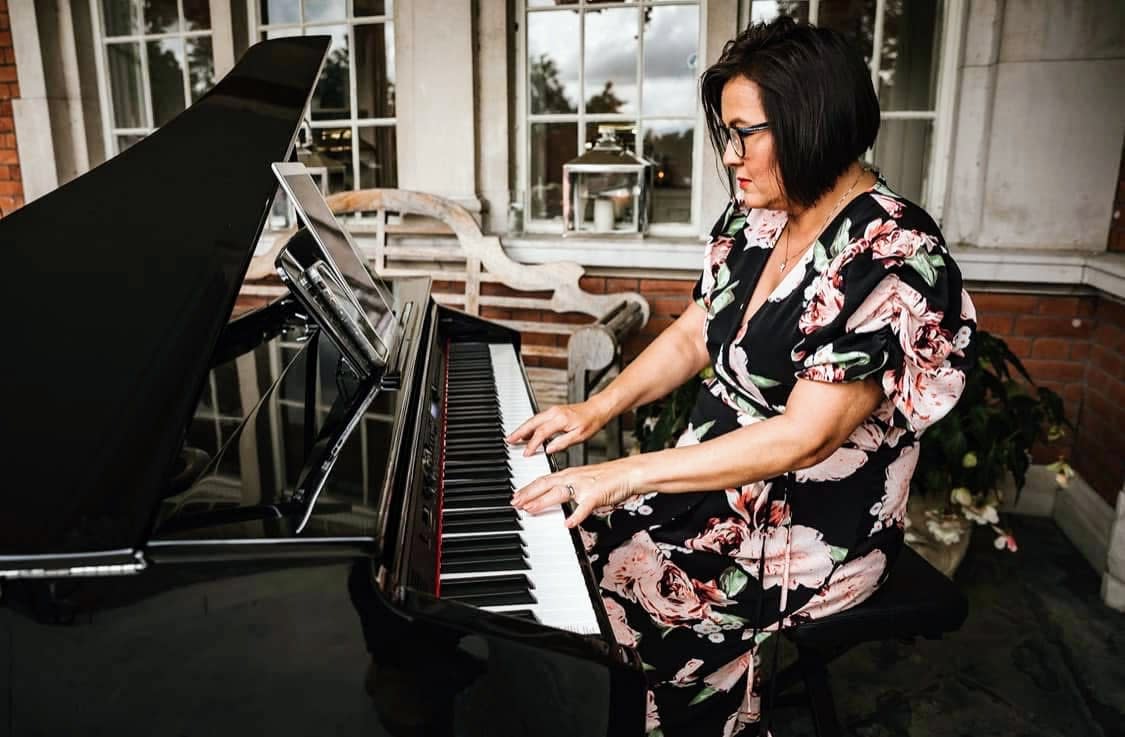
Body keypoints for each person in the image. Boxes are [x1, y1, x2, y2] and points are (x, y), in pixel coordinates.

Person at [508, 16, 977, 737]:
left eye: (744, 134)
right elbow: (696, 330)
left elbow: (803, 437)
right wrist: (593, 411)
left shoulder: (893, 252)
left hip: (807, 528)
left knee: (629, 606)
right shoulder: (761, 216)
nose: (729, 156)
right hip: (708, 486)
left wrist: (620, 474)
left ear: (811, 123)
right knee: (559, 554)